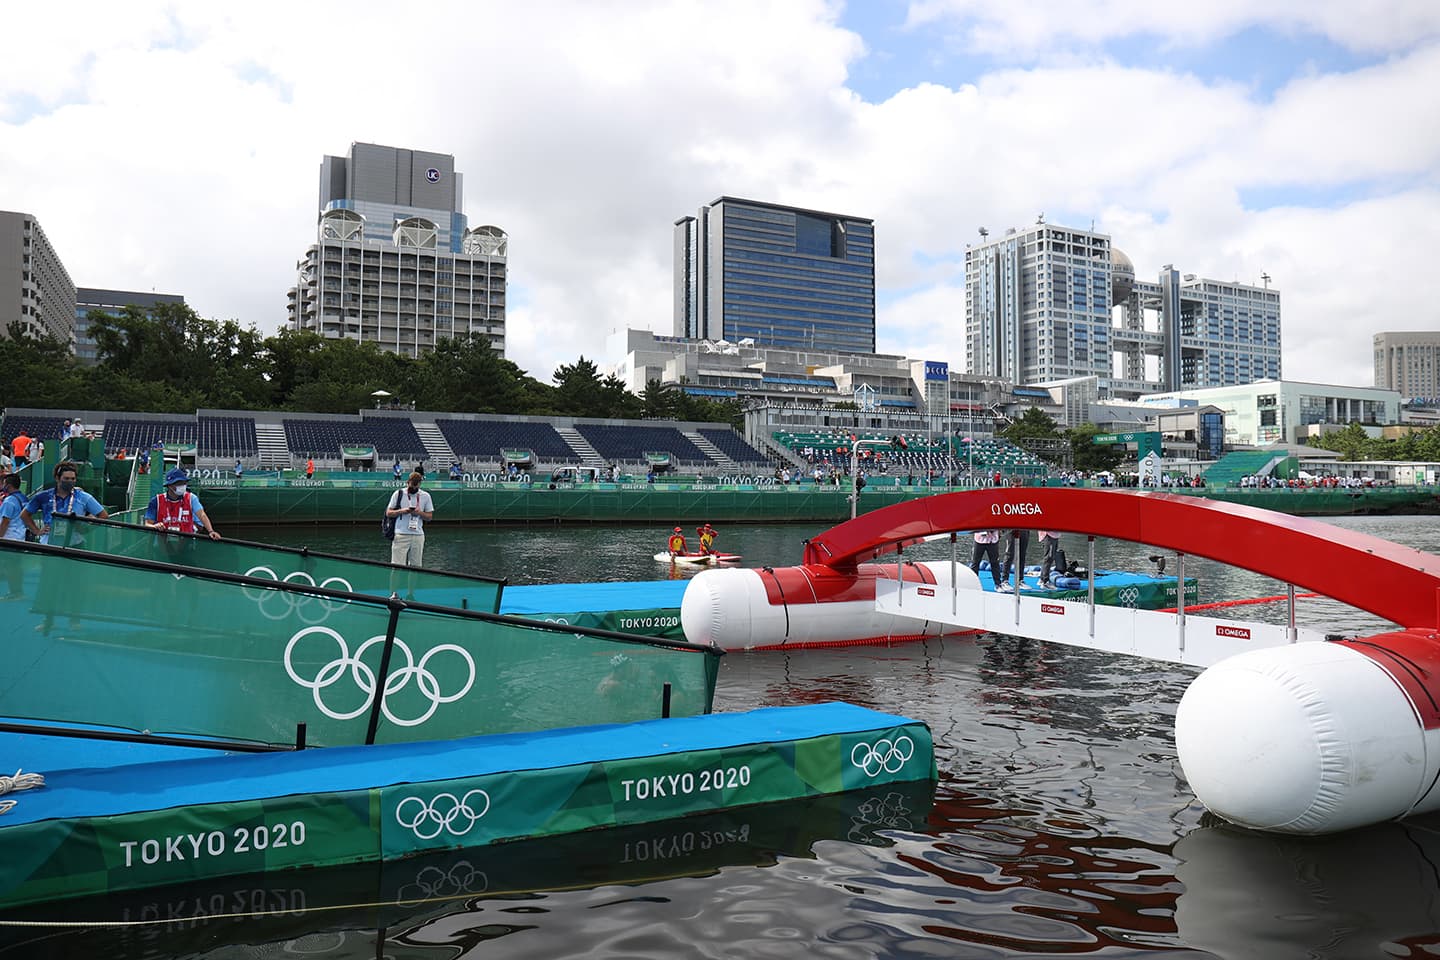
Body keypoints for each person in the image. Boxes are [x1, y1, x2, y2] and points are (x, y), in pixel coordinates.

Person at [22, 460, 109, 544]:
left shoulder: (83, 497)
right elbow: (24, 514)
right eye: (66, 478)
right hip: (49, 543)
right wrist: (36, 531)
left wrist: (87, 529)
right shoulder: (43, 496)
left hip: (75, 543)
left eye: (73, 479)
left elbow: (103, 515)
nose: (70, 481)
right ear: (57, 478)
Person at [144, 468, 221, 540]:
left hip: (187, 543)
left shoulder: (191, 498)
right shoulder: (156, 501)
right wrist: (154, 526)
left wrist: (211, 531)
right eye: (179, 483)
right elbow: (147, 524)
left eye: (184, 483)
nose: (183, 485)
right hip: (162, 545)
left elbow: (201, 514)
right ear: (170, 486)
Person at [386, 471, 433, 567]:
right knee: (397, 566)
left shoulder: (426, 496)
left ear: (420, 484)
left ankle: (413, 582)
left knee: (416, 567)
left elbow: (429, 517)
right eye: (412, 486)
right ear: (408, 482)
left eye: (416, 486)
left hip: (418, 535)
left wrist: (419, 513)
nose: (414, 488)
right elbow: (389, 513)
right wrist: (403, 511)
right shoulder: (398, 494)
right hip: (401, 534)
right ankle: (396, 582)